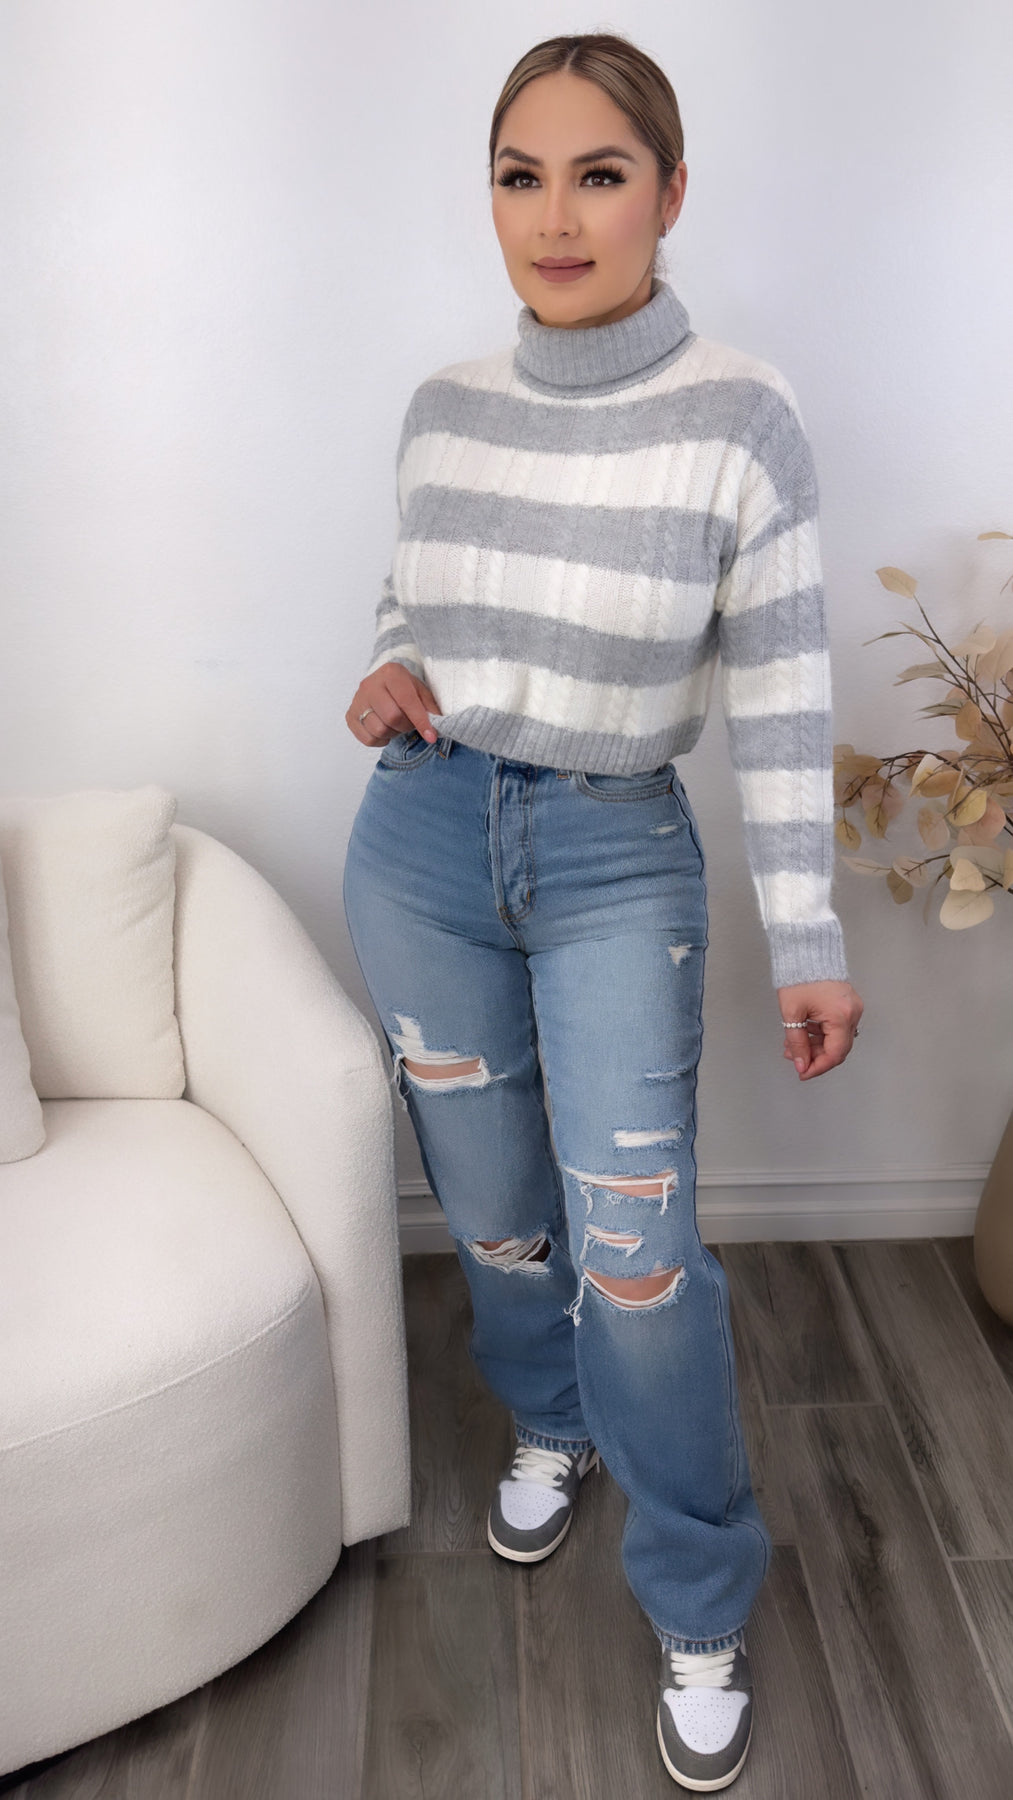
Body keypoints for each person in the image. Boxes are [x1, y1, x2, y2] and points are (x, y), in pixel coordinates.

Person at [342, 32, 864, 1791]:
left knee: (636, 1256)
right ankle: (549, 1424)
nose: (554, 218)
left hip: (611, 850)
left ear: (669, 191)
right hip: (423, 840)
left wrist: (807, 940)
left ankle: (699, 1595)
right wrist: (390, 674)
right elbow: (413, 606)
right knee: (496, 1218)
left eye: (597, 175)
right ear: (488, 196)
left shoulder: (739, 416)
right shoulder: (441, 406)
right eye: (520, 177)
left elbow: (780, 698)